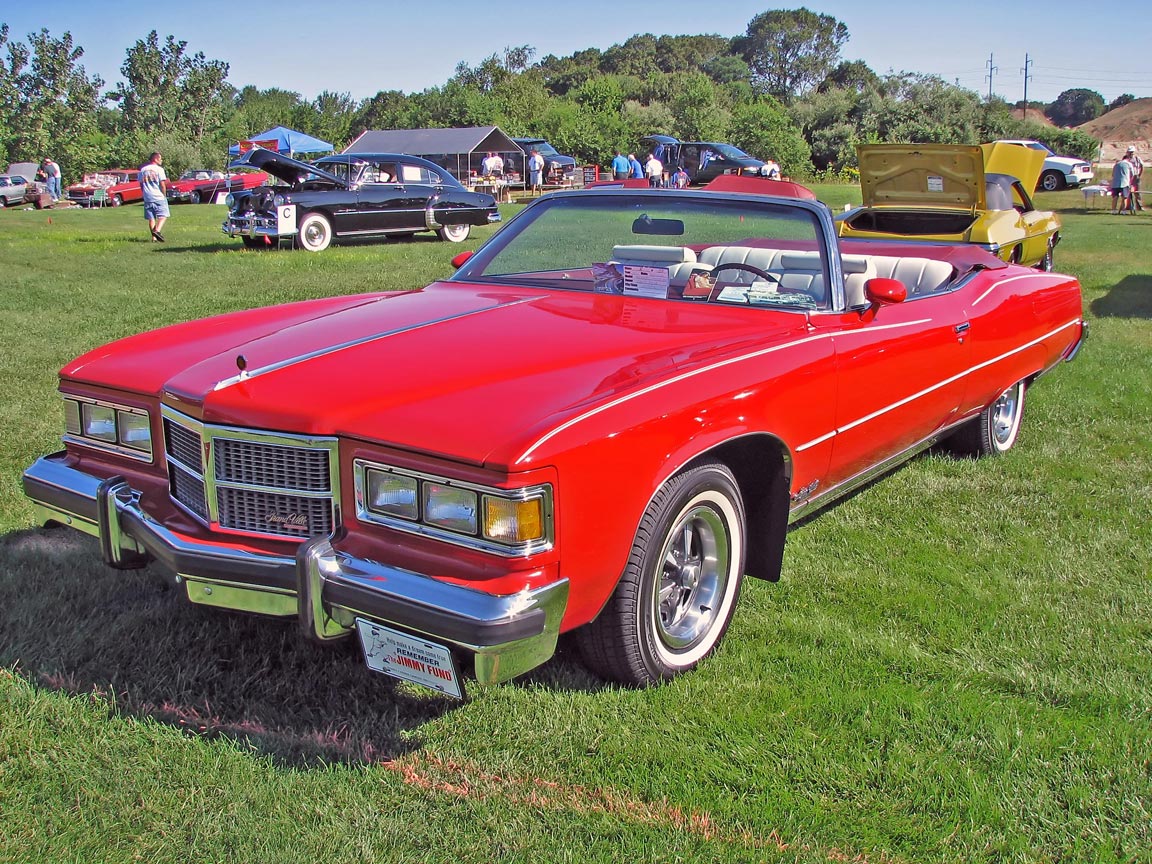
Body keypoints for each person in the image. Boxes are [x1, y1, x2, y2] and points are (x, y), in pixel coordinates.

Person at [139, 151, 170, 241]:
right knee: (163, 215)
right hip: (158, 196)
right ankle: (157, 231)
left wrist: (144, 193)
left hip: (147, 197)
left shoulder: (143, 170)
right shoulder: (159, 169)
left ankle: (154, 238)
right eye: (160, 158)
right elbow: (162, 184)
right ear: (155, 159)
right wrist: (164, 195)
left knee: (151, 218)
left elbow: (141, 184)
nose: (161, 160)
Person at [1127, 146, 1144, 212]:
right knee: (1128, 192)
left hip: (1136, 176)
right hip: (1128, 177)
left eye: (1132, 152)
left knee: (1137, 192)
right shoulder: (1126, 159)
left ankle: (1139, 207)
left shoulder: (1137, 159)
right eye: (1130, 152)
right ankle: (1129, 206)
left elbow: (1142, 166)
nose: (1131, 153)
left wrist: (1139, 175)